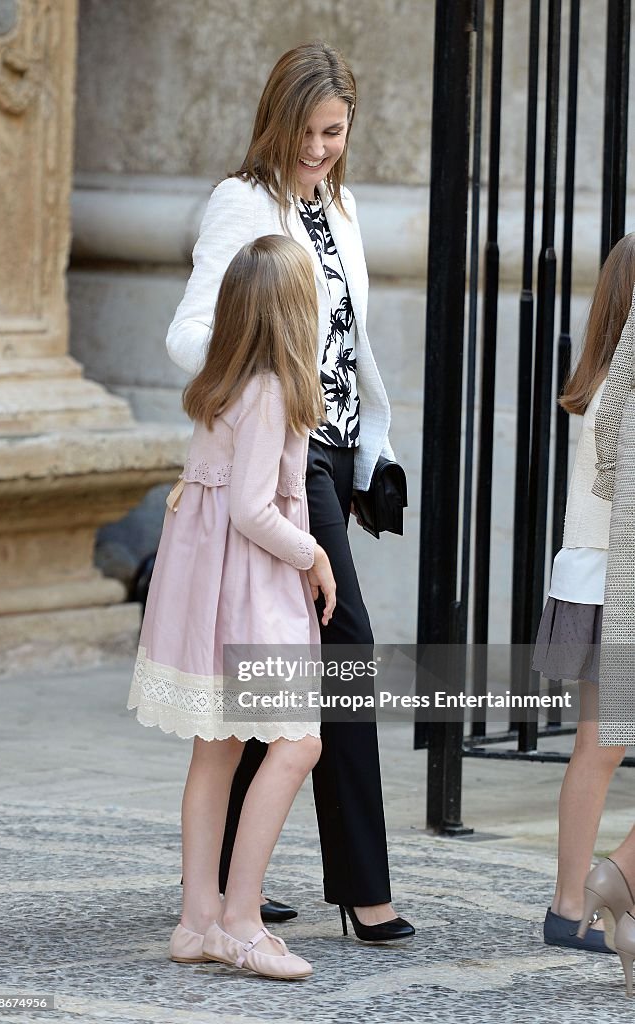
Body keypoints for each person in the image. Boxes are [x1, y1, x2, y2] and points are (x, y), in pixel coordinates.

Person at [164, 40, 414, 941]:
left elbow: (346, 340)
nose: (319, 149)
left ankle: (237, 882)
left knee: (273, 662)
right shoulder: (243, 203)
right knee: (341, 650)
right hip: (280, 455)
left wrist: (365, 450)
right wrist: (256, 378)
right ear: (278, 120)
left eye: (335, 132)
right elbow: (193, 330)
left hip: (329, 450)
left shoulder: (336, 204)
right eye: (308, 131)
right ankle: (361, 887)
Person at [127, 235, 337, 980]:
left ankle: (196, 921)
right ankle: (241, 920)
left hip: (207, 584)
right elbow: (252, 510)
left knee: (216, 748)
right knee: (297, 741)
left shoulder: (225, 381)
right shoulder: (273, 388)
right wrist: (312, 556)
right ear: (293, 309)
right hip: (248, 585)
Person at [533, 233, 635, 958]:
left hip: (595, 580)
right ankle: (597, 890)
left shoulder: (603, 384)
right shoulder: (622, 394)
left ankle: (575, 902)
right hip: (616, 582)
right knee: (600, 748)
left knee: (595, 748)